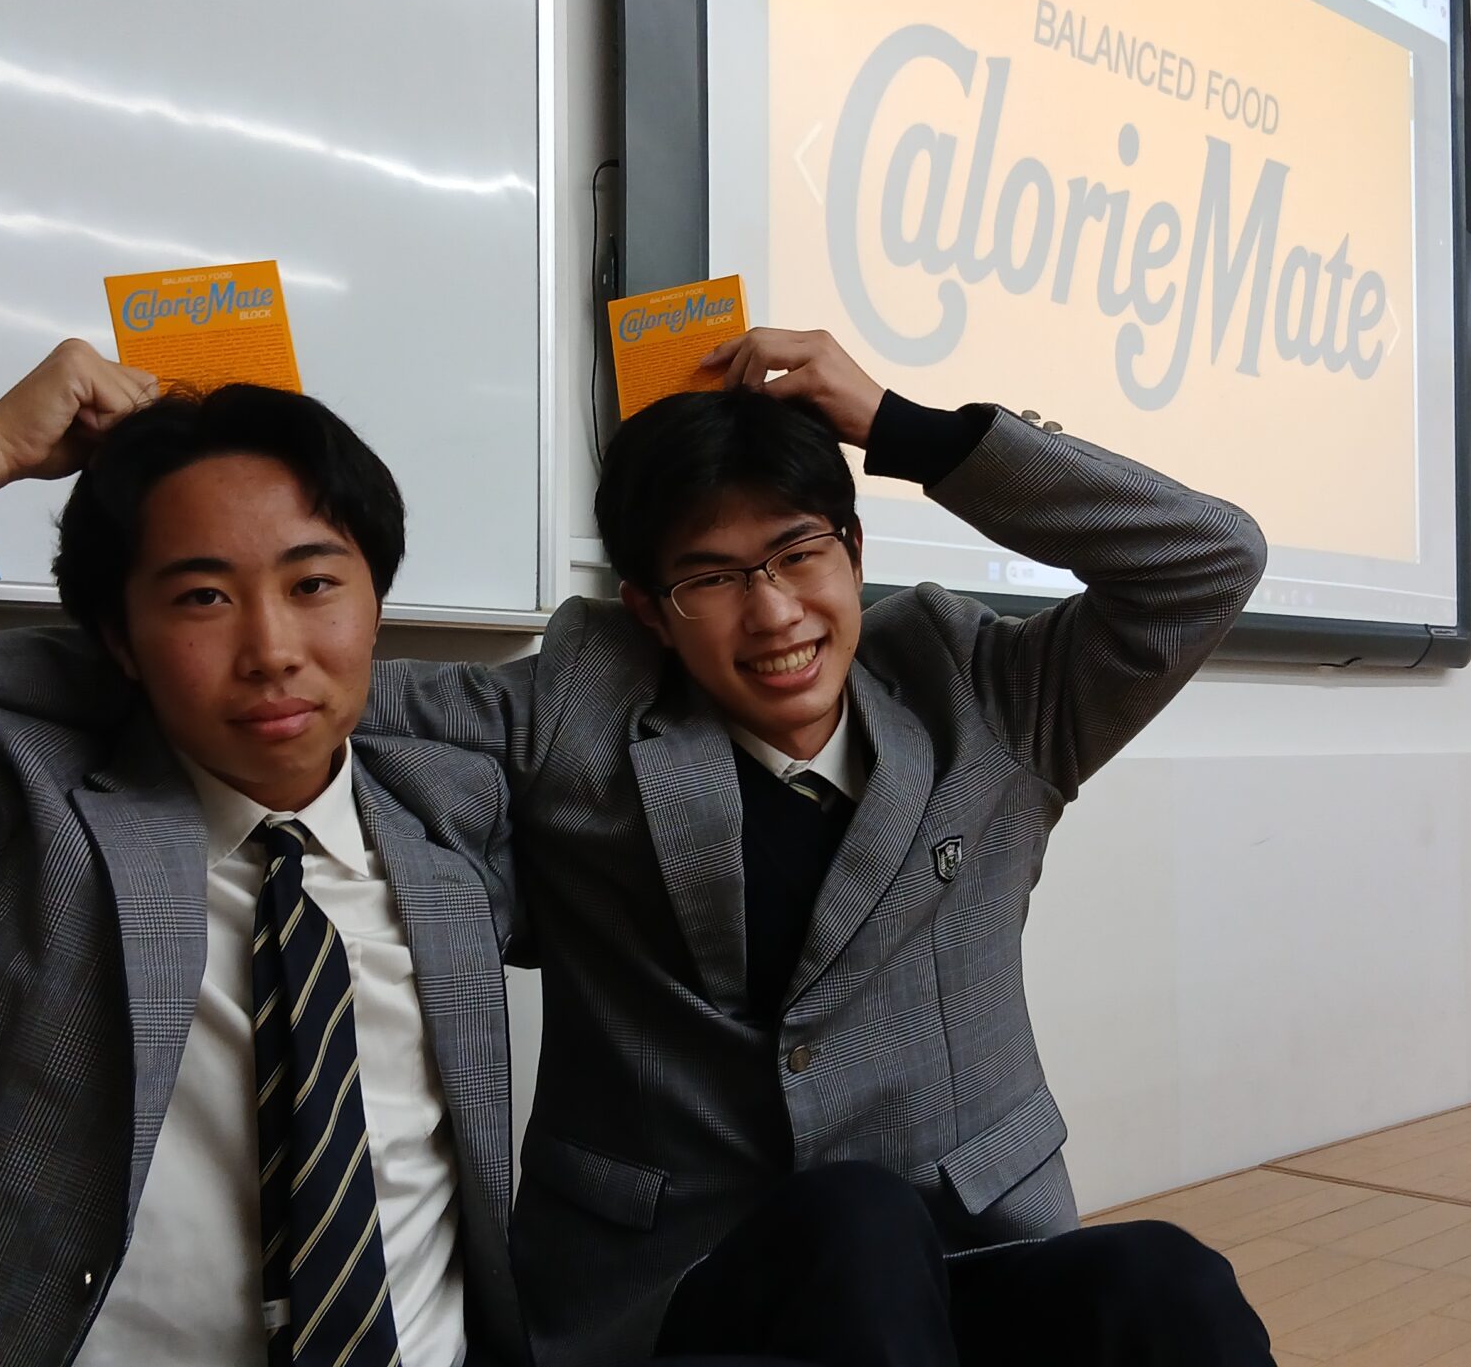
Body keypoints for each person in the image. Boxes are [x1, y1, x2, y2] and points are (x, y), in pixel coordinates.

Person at [0, 343, 840, 1367]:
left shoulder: (460, 818)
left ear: (376, 601)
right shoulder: (15, 824)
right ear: (116, 644)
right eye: (200, 598)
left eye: (314, 583)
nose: (272, 649)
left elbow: (646, 692)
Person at [357, 328, 1275, 1366]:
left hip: (964, 1248)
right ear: (649, 613)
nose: (774, 613)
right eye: (712, 578)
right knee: (857, 1223)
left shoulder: (981, 696)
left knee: (1169, 1280)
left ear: (855, 552)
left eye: (800, 553)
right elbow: (332, 698)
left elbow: (1208, 559)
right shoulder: (581, 709)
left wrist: (901, 427)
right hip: (695, 1282)